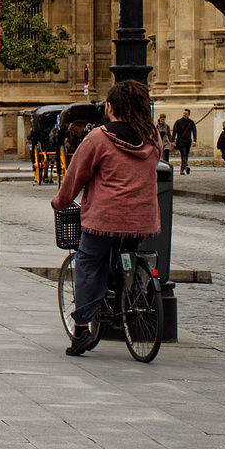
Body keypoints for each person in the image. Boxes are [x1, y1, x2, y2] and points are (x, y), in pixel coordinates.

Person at [51, 79, 163, 356]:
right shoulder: (153, 137)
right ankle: (131, 288)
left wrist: (60, 202)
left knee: (88, 264)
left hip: (104, 219)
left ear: (110, 107)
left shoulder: (99, 138)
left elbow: (76, 176)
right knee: (126, 253)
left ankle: (81, 332)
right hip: (142, 220)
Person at [171, 109, 198, 175]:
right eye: (183, 113)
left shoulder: (191, 122)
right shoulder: (178, 122)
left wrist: (195, 140)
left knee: (185, 155)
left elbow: (194, 131)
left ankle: (182, 169)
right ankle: (186, 166)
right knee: (183, 154)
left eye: (186, 113)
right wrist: (173, 141)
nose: (184, 114)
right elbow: (174, 131)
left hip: (188, 141)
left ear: (188, 114)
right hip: (180, 141)